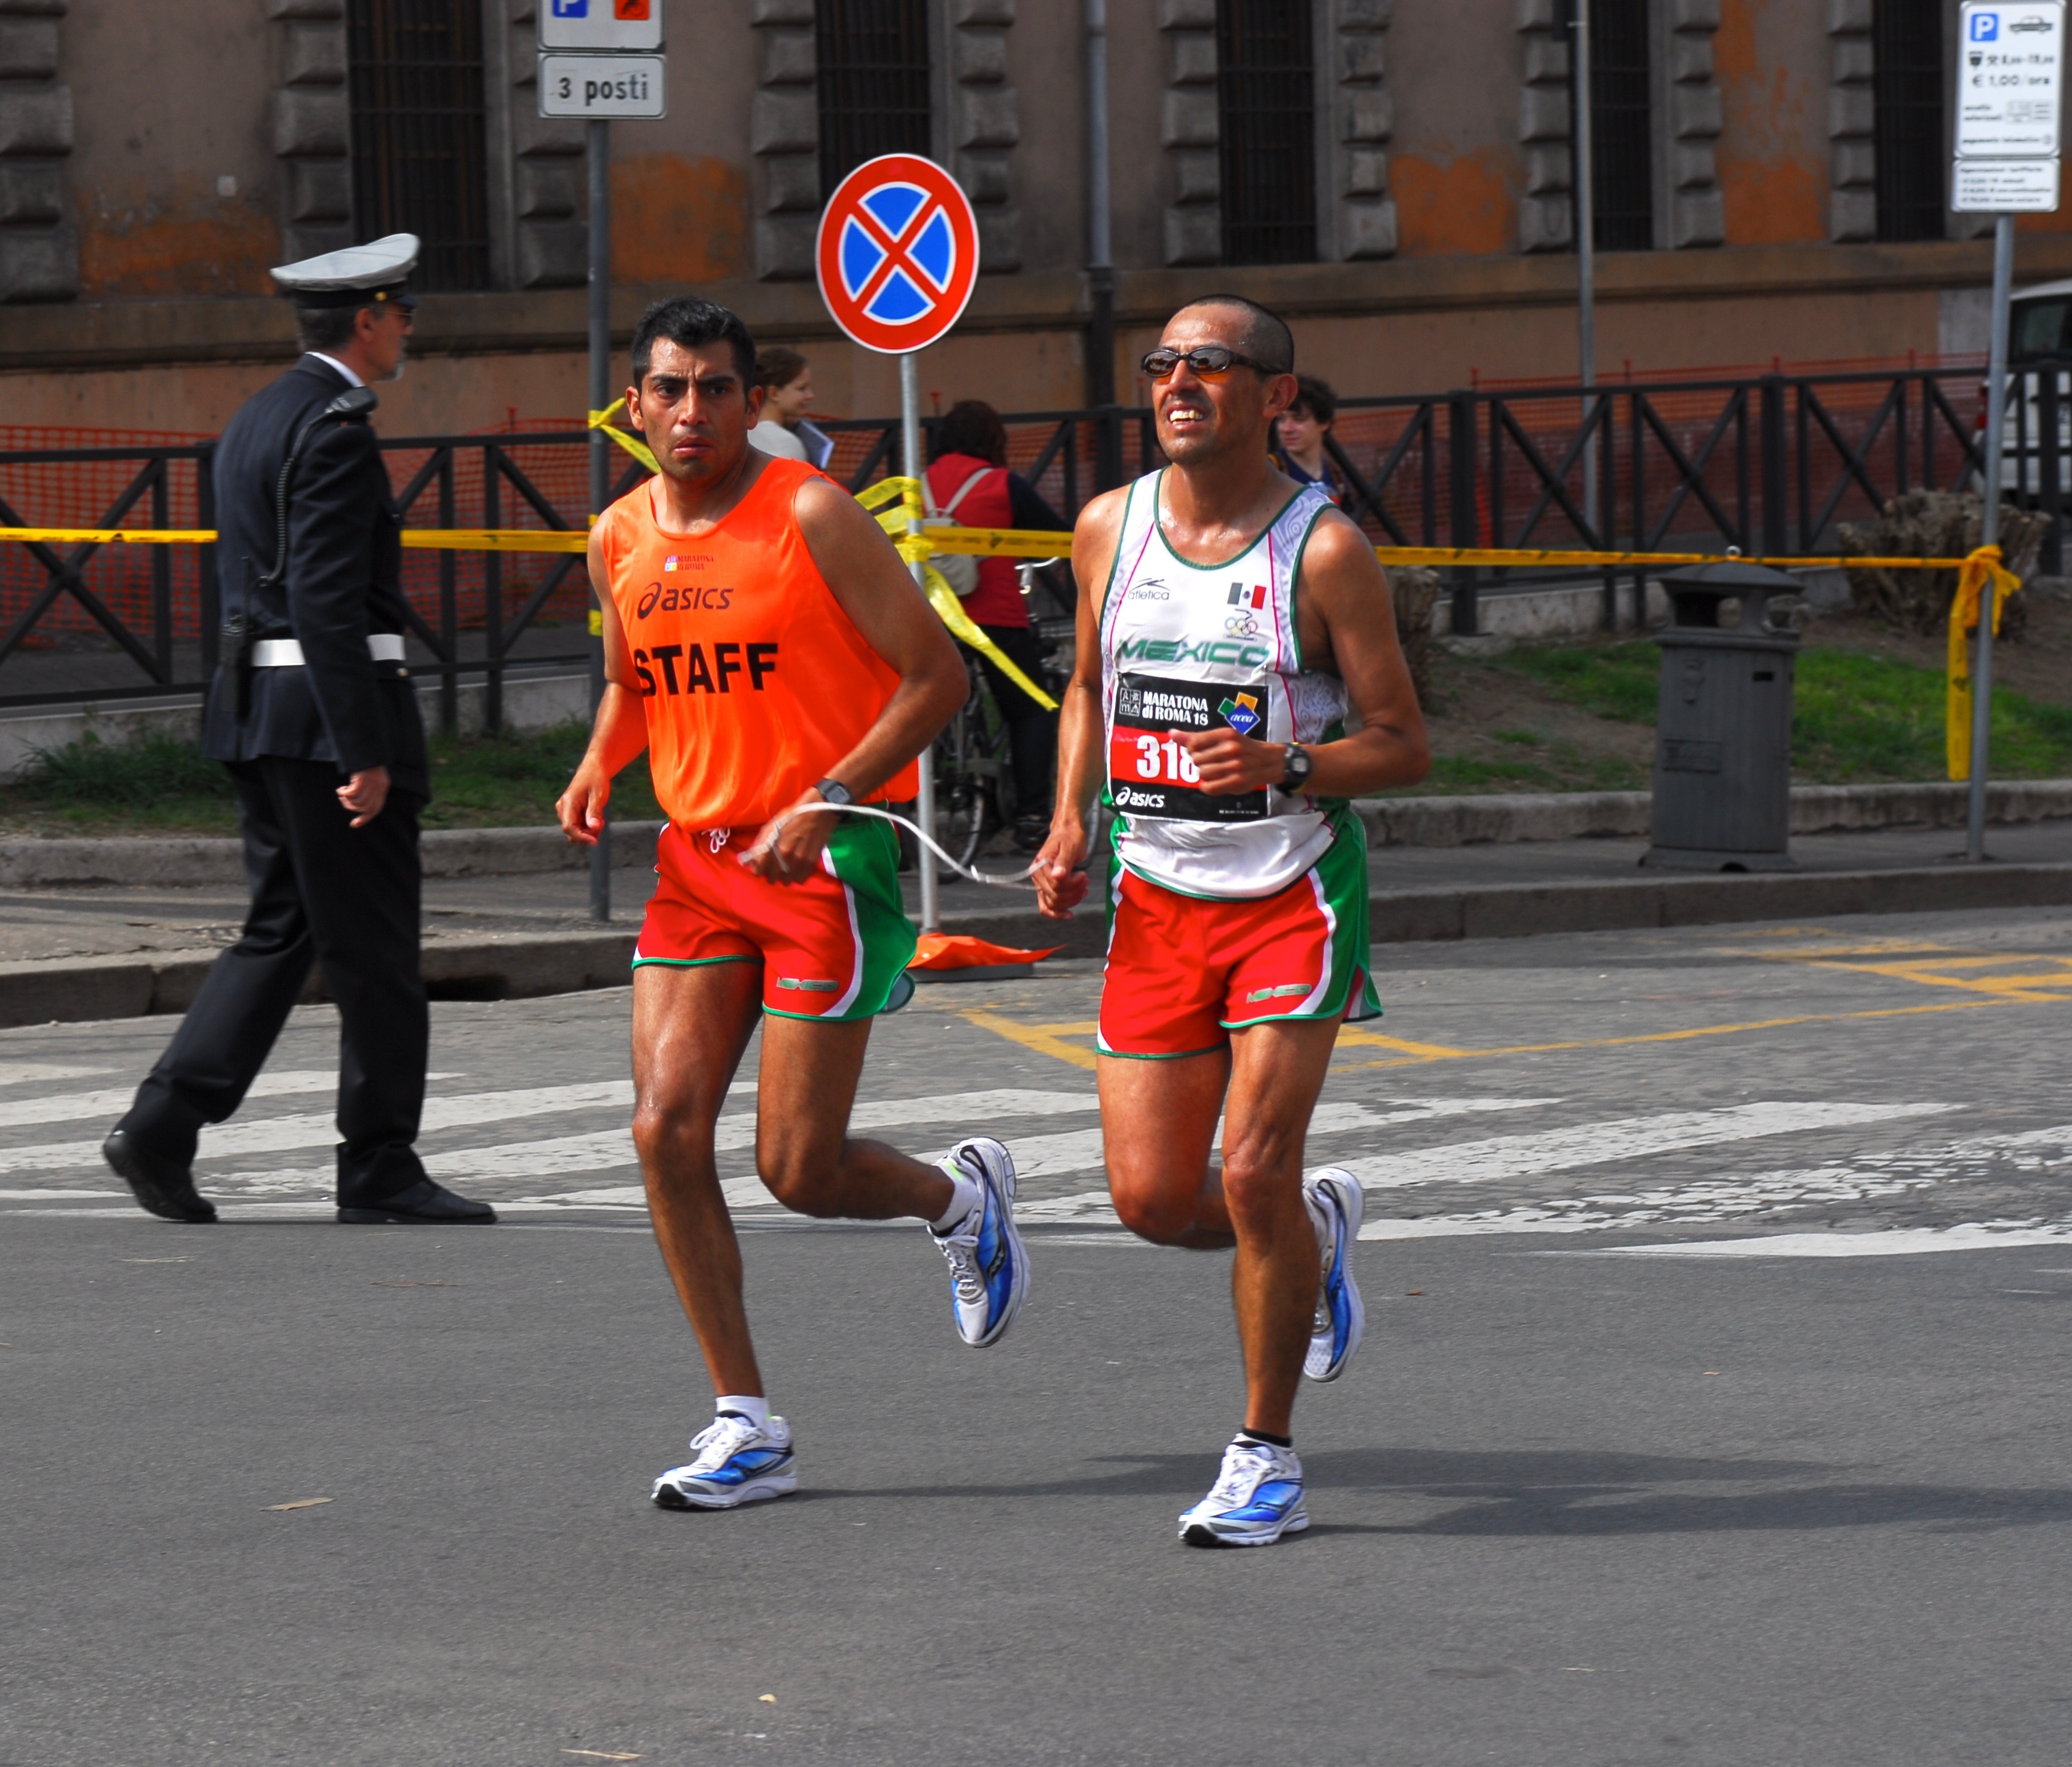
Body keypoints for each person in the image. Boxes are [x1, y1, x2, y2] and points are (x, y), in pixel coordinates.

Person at [555, 298, 1026, 1511]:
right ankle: (745, 1420)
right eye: (672, 389)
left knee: (798, 1168)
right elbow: (632, 683)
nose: (695, 411)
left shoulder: (808, 515)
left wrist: (827, 792)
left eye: (719, 388)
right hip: (699, 868)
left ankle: (958, 1201)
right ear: (638, 402)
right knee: (663, 1128)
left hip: (824, 862)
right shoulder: (615, 535)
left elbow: (937, 676)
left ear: (751, 400)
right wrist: (597, 763)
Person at [1031, 297, 1430, 1547]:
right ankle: (1309, 1241)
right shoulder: (1109, 525)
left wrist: (1285, 764)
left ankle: (1264, 1454)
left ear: (1275, 396)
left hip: (1288, 895)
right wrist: (1066, 820)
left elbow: (1403, 745)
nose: (1181, 381)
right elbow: (1090, 684)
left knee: (1251, 1166)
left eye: (1213, 363)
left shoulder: (1322, 553)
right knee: (1153, 1199)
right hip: (1154, 897)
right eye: (1163, 364)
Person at [100, 235, 494, 1230]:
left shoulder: (258, 418)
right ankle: (379, 1164)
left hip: (257, 714)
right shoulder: (336, 430)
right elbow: (323, 601)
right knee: (376, 954)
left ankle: (163, 1124)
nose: (408, 329)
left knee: (284, 931)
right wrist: (362, 750)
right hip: (327, 721)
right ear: (366, 321)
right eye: (402, 313)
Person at [924, 399, 1071, 850]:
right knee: (1031, 709)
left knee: (915, 710)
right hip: (994, 619)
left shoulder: (918, 485)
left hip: (931, 618)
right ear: (994, 441)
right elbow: (1058, 534)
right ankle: (1030, 816)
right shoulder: (1001, 484)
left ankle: (903, 818)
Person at [746, 346, 834, 469]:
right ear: (774, 394)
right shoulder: (785, 444)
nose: (810, 395)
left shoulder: (742, 435)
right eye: (802, 388)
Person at [1270, 374, 1342, 501]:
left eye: (1299, 419)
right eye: (1281, 419)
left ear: (1324, 423)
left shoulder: (1337, 476)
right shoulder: (1269, 470)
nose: (1287, 428)